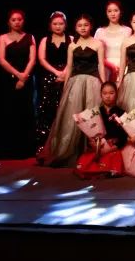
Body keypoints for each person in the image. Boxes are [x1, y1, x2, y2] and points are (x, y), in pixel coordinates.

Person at [38, 14, 104, 167]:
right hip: (75, 82)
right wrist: (66, 86)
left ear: (90, 26)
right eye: (79, 25)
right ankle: (70, 151)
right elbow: (69, 67)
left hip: (92, 82)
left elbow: (100, 65)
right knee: (72, 117)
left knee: (91, 116)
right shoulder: (72, 46)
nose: (83, 28)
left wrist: (103, 83)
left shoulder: (98, 44)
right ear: (75, 28)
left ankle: (92, 151)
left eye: (86, 25)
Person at [0, 9, 38, 159]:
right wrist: (18, 75)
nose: (17, 22)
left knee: (25, 111)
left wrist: (24, 77)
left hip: (26, 78)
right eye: (13, 20)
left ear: (23, 21)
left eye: (19, 19)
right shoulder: (3, 38)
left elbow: (32, 60)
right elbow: (1, 60)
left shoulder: (30, 37)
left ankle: (26, 148)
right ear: (8, 22)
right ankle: (8, 149)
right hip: (8, 80)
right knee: (8, 112)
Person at [74, 81, 127, 179]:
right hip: (98, 145)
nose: (108, 96)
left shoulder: (121, 113)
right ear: (101, 95)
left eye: (111, 93)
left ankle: (107, 171)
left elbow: (123, 136)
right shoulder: (96, 112)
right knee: (87, 160)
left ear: (116, 94)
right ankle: (95, 171)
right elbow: (89, 130)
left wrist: (112, 147)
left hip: (112, 147)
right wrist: (94, 143)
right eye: (105, 93)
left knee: (114, 157)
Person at [35, 11, 70, 149]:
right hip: (50, 77)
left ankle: (66, 143)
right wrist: (56, 72)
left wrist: (64, 72)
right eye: (55, 24)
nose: (58, 26)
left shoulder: (71, 39)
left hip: (67, 76)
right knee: (48, 109)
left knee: (66, 108)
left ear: (65, 25)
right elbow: (42, 59)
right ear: (50, 25)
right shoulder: (45, 40)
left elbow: (73, 58)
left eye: (61, 24)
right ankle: (46, 145)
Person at [94, 1, 132, 83]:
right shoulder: (100, 32)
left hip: (123, 68)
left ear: (120, 12)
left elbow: (130, 53)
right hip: (105, 68)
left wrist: (121, 66)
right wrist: (111, 66)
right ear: (106, 13)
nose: (113, 14)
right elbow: (95, 54)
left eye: (116, 10)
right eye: (109, 11)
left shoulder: (127, 31)